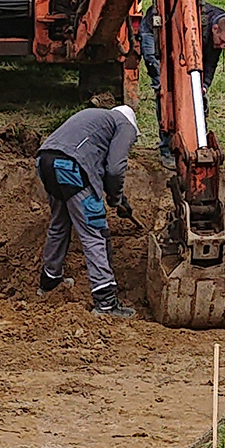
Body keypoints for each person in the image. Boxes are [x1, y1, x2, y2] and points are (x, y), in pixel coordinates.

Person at [37, 87, 140, 317]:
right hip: (71, 167)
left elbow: (97, 163)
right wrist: (114, 198)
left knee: (59, 224)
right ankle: (105, 302)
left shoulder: (96, 118)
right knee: (94, 232)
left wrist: (120, 199)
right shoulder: (125, 126)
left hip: (46, 161)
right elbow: (114, 169)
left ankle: (49, 282)